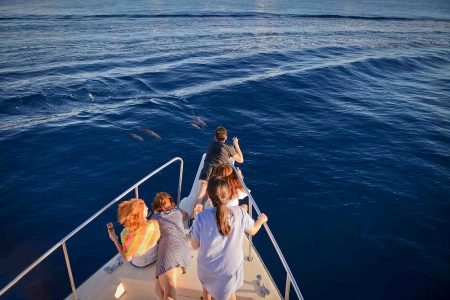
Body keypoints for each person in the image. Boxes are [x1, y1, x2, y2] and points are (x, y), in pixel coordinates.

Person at [190, 176, 268, 300]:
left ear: (209, 196)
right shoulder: (240, 212)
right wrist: (261, 220)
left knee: (206, 289)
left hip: (207, 269)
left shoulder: (201, 217)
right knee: (230, 293)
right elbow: (253, 231)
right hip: (231, 270)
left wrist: (196, 217)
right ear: (229, 194)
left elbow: (194, 245)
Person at [194, 126, 244, 212]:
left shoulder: (211, 145)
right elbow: (241, 160)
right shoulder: (229, 148)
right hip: (217, 175)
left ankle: (194, 218)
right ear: (226, 137)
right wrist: (236, 145)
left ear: (215, 137)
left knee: (200, 197)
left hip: (206, 172)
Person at [152, 192, 191, 300]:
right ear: (172, 203)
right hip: (183, 249)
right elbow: (186, 215)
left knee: (169, 292)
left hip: (169, 249)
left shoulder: (155, 218)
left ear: (156, 207)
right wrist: (175, 209)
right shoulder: (177, 212)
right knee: (158, 289)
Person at [108, 198, 160, 267]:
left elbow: (127, 259)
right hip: (156, 256)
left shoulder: (125, 233)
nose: (147, 208)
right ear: (140, 215)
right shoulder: (154, 223)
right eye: (145, 208)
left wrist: (115, 239)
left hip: (141, 264)